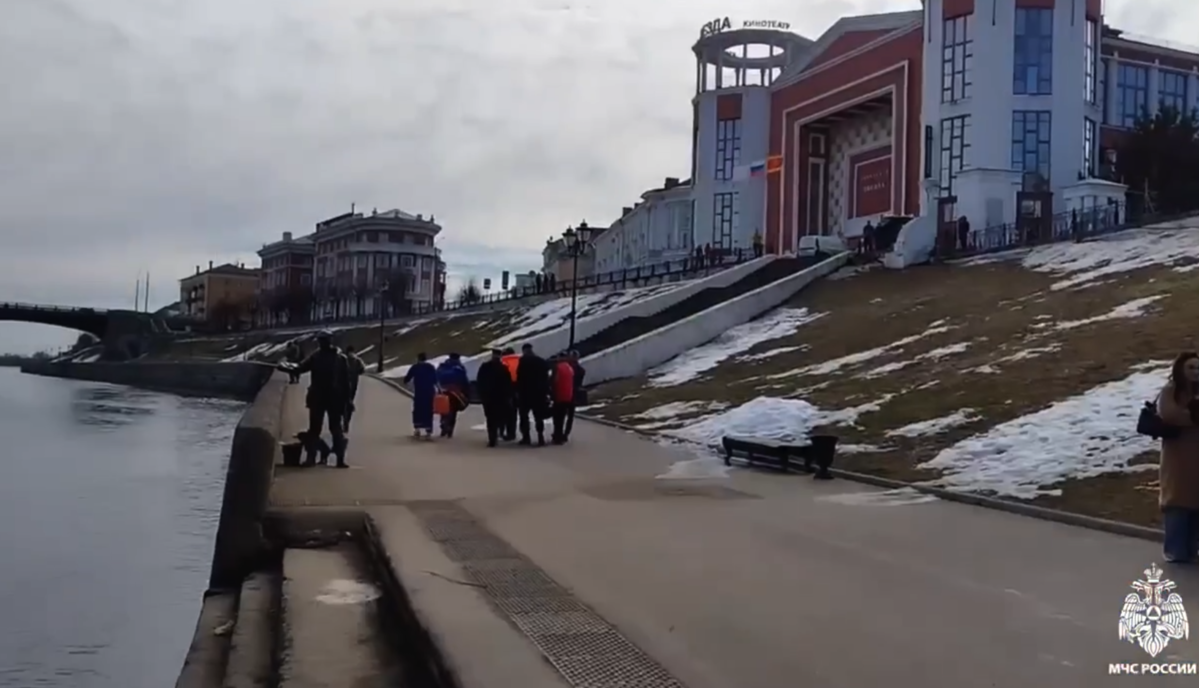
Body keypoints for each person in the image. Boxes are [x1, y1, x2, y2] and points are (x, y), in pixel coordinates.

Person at [1155, 352, 1199, 563]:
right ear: (1180, 369)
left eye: (1198, 368)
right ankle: (1174, 550)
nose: (1196, 372)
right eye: (1191, 367)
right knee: (1178, 502)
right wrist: (1194, 417)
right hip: (1178, 457)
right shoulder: (1171, 391)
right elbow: (1170, 415)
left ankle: (1192, 548)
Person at [289, 331, 350, 467]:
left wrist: (347, 400)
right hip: (329, 398)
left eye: (323, 340)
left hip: (323, 398)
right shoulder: (335, 358)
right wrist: (348, 400)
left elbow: (346, 382)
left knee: (323, 429)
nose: (322, 343)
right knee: (330, 428)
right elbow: (300, 368)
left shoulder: (322, 357)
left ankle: (316, 458)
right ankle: (336, 460)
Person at [476, 349, 514, 447]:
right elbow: (508, 384)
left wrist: (481, 394)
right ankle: (496, 434)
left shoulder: (485, 367)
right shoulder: (503, 368)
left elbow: (480, 381)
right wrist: (508, 396)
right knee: (498, 417)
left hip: (488, 397)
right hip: (499, 398)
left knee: (490, 418)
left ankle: (492, 438)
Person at [515, 343, 550, 446]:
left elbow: (519, 377)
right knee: (538, 416)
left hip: (525, 394)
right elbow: (546, 378)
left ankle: (526, 437)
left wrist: (517, 391)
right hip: (539, 394)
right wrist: (546, 392)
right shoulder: (541, 361)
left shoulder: (523, 361)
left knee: (524, 416)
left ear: (524, 350)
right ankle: (540, 437)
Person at [403, 352, 438, 439]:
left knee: (418, 410)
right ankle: (428, 431)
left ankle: (417, 429)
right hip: (429, 392)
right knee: (428, 410)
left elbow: (408, 377)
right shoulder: (430, 367)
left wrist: (406, 381)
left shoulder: (415, 367)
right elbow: (435, 379)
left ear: (418, 358)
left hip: (419, 392)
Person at [435, 353, 469, 438]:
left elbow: (437, 377)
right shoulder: (460, 368)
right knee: (453, 411)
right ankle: (450, 429)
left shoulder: (443, 366)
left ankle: (443, 425)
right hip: (455, 392)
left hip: (443, 390)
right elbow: (464, 381)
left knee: (444, 410)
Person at [549, 354, 575, 444]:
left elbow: (554, 380)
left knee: (558, 418)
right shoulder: (569, 368)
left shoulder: (557, 368)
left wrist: (551, 390)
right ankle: (563, 435)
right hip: (569, 395)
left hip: (559, 395)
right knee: (564, 416)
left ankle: (558, 437)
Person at [342, 344, 367, 431]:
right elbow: (362, 370)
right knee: (349, 402)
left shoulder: (342, 359)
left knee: (342, 403)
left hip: (342, 385)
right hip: (353, 385)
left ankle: (343, 419)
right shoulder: (357, 360)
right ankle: (347, 421)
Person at [563, 350, 586, 440]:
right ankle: (566, 433)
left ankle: (562, 432)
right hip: (574, 394)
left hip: (566, 392)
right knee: (570, 415)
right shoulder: (581, 370)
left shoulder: (567, 368)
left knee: (562, 414)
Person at [500, 347, 520, 440]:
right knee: (514, 413)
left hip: (506, 389)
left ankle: (503, 431)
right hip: (519, 388)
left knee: (504, 412)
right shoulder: (519, 360)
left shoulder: (503, 362)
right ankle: (513, 433)